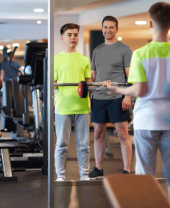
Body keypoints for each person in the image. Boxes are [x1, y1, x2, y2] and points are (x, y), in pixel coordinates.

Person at [104, 2, 170, 207]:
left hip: (147, 119)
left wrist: (117, 90)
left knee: (145, 175)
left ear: (150, 23)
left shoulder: (141, 53)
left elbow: (139, 90)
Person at [88, 16, 133, 178]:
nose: (108, 30)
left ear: (117, 29)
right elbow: (93, 77)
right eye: (105, 27)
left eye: (111, 27)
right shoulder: (97, 50)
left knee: (122, 134)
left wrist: (127, 96)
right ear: (102, 29)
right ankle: (98, 168)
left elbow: (130, 76)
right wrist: (88, 89)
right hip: (98, 98)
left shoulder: (125, 49)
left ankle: (127, 169)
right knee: (98, 134)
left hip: (117, 98)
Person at [54, 23, 91, 181]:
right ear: (63, 38)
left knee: (84, 146)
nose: (73, 37)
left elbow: (88, 83)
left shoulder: (84, 60)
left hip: (82, 107)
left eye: (75, 35)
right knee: (62, 145)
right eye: (69, 34)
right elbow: (53, 83)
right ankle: (60, 176)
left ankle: (84, 175)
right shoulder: (56, 59)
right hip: (63, 107)